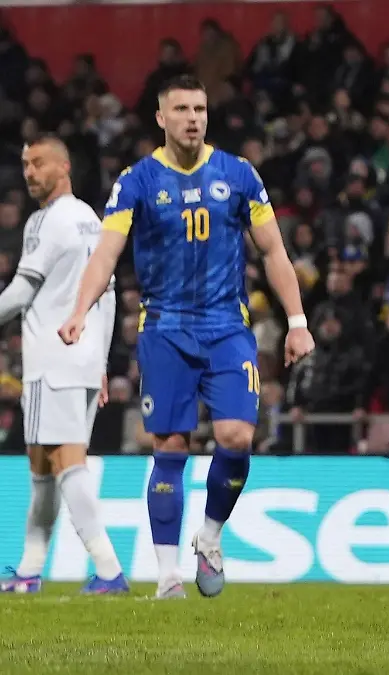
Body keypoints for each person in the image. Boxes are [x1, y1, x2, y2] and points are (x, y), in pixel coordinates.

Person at [57, 75, 315, 600]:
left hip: (227, 327)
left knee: (238, 438)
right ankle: (168, 574)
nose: (193, 117)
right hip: (166, 329)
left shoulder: (239, 176)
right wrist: (79, 310)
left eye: (199, 108)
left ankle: (211, 536)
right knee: (170, 445)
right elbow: (106, 253)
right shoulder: (136, 182)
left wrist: (297, 321)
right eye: (181, 109)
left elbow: (272, 252)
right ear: (161, 117)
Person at [0, 134, 126, 594]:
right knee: (42, 467)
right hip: (84, 358)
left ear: (63, 167)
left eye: (38, 163)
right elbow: (108, 295)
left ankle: (109, 570)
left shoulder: (46, 221)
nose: (30, 172)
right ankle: (30, 572)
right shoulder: (91, 221)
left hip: (51, 359)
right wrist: (103, 360)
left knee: (66, 462)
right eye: (25, 164)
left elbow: (20, 292)